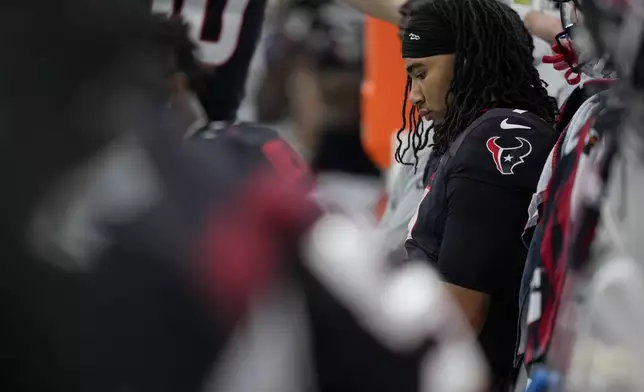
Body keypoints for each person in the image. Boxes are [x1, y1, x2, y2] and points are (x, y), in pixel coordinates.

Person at [398, 0, 560, 388]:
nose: (415, 96)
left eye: (422, 74)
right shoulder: (477, 134)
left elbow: (460, 318)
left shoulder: (496, 137)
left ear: (468, 61)